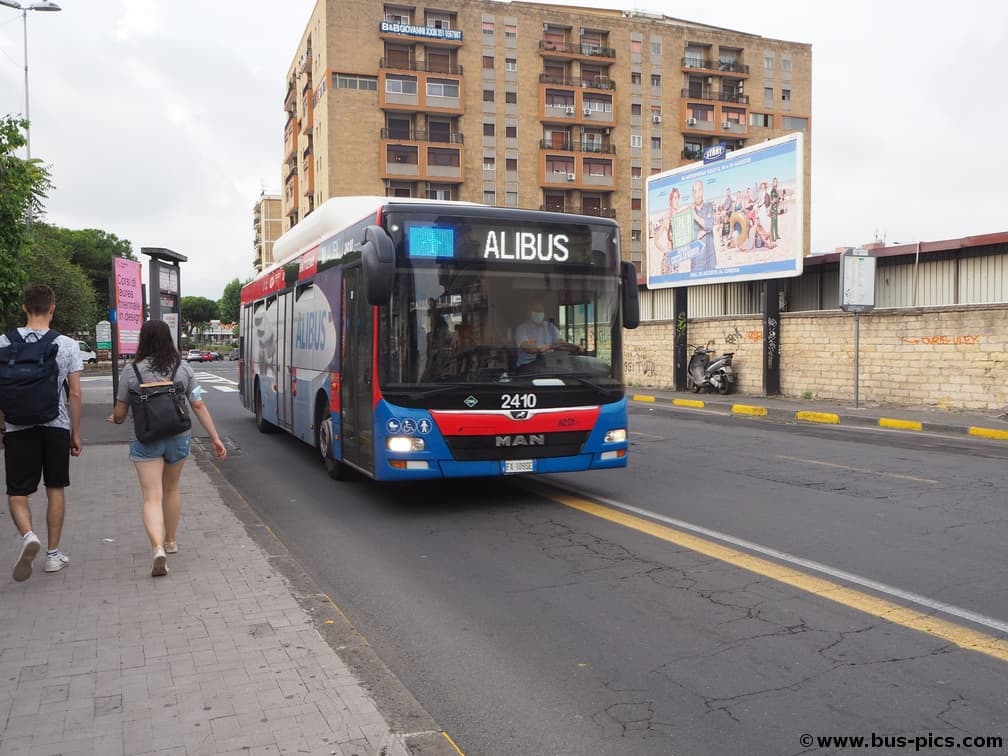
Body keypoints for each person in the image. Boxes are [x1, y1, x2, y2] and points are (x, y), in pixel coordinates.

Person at [107, 320, 227, 577]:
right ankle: (171, 540)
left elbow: (120, 412)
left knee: (152, 496)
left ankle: (157, 547)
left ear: (142, 340)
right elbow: (198, 405)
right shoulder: (182, 369)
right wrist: (215, 437)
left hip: (145, 438)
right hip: (178, 435)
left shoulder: (131, 371)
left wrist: (115, 418)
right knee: (172, 488)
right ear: (168, 340)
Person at [1, 283, 83, 581]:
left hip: (17, 426)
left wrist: (3, 423)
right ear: (52, 308)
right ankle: (52, 555)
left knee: (17, 491)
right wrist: (75, 432)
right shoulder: (67, 345)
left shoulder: (2, 343)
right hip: (55, 425)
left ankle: (27, 536)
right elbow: (74, 394)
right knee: (55, 488)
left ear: (24, 307)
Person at [514, 300, 574, 368]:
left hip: (548, 366)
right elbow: (526, 347)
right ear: (529, 312)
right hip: (526, 367)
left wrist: (550, 347)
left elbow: (561, 343)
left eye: (541, 311)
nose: (539, 313)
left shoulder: (551, 327)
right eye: (536, 310)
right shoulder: (522, 328)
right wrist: (539, 349)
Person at [690, 179, 717, 273]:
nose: (697, 194)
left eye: (699, 190)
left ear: (703, 190)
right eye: (695, 191)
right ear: (692, 194)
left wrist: (695, 216)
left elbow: (709, 225)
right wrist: (699, 233)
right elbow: (688, 237)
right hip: (696, 263)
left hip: (710, 261)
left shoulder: (709, 206)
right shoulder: (687, 213)